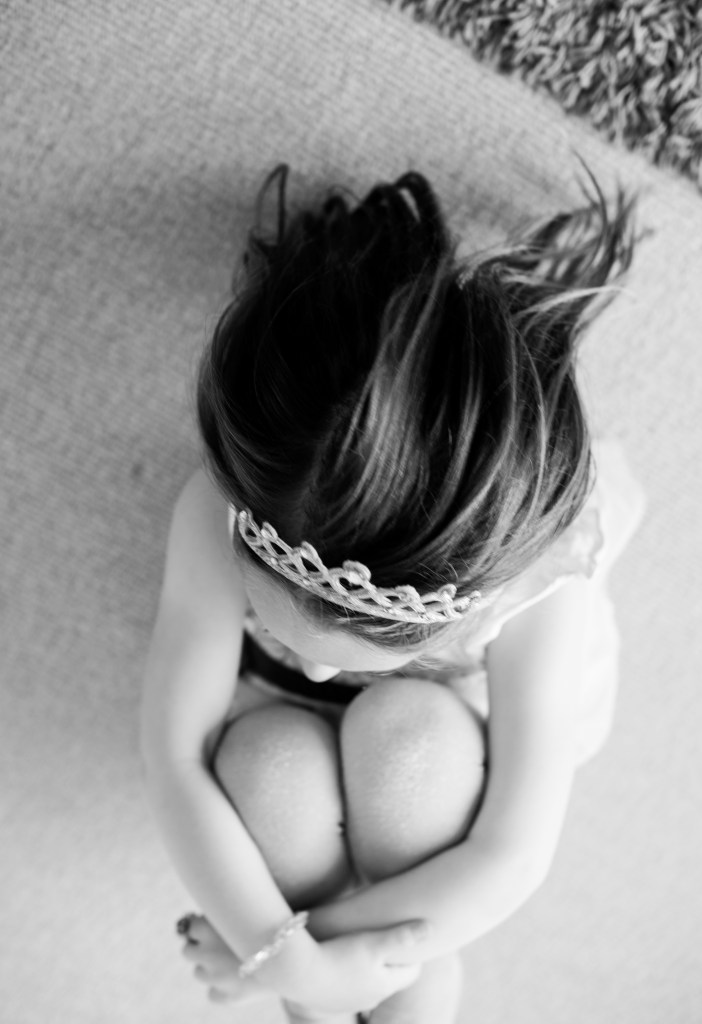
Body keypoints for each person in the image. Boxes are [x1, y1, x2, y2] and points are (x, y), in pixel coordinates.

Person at [140, 162, 646, 1024]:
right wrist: (293, 962)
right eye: (280, 621)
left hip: (446, 738)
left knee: (407, 735)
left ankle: (408, 990)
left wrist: (292, 955)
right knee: (265, 764)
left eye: (358, 652)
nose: (327, 673)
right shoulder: (222, 516)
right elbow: (175, 758)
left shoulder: (536, 582)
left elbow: (512, 854)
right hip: (276, 729)